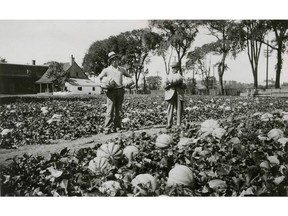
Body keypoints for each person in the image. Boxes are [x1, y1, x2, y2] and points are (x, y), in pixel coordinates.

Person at [98, 51, 132, 134]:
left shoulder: (122, 69)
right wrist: (104, 85)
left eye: (116, 59)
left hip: (120, 91)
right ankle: (107, 128)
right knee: (110, 110)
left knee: (118, 110)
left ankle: (117, 127)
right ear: (110, 61)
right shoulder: (106, 70)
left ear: (118, 60)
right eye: (112, 60)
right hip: (111, 91)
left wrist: (127, 81)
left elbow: (129, 77)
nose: (114, 61)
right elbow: (99, 78)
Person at [164, 61, 187, 129]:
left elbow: (185, 86)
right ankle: (169, 124)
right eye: (173, 68)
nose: (174, 69)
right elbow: (163, 85)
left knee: (179, 109)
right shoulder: (168, 76)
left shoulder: (181, 76)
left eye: (175, 68)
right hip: (170, 93)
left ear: (178, 68)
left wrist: (181, 84)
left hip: (179, 93)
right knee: (169, 109)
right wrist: (168, 84)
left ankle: (178, 124)